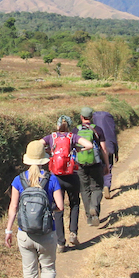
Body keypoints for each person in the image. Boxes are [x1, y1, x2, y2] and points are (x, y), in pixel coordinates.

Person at [4, 140, 64, 278]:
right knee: (47, 269)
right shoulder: (51, 179)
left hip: (25, 234)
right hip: (46, 234)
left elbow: (13, 207)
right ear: (45, 159)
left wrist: (8, 230)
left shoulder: (18, 179)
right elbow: (60, 207)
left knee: (29, 274)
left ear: (27, 159)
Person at [41, 115, 93, 252]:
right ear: (69, 125)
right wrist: (78, 149)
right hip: (72, 175)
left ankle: (60, 243)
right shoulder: (72, 137)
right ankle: (73, 233)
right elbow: (89, 145)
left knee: (58, 208)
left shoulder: (51, 137)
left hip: (55, 177)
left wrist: (49, 151)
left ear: (57, 125)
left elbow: (37, 145)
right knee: (74, 204)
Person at [76, 107, 109, 226]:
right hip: (96, 163)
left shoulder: (76, 130)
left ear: (81, 117)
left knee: (85, 190)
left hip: (80, 164)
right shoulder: (98, 130)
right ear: (92, 117)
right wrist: (106, 165)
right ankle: (94, 207)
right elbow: (104, 149)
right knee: (97, 187)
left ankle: (89, 219)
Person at [92, 110, 119, 199]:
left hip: (97, 149)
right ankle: (106, 185)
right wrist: (116, 152)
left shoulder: (93, 127)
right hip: (109, 147)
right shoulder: (110, 127)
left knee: (98, 167)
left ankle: (99, 186)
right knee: (109, 166)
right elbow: (114, 138)